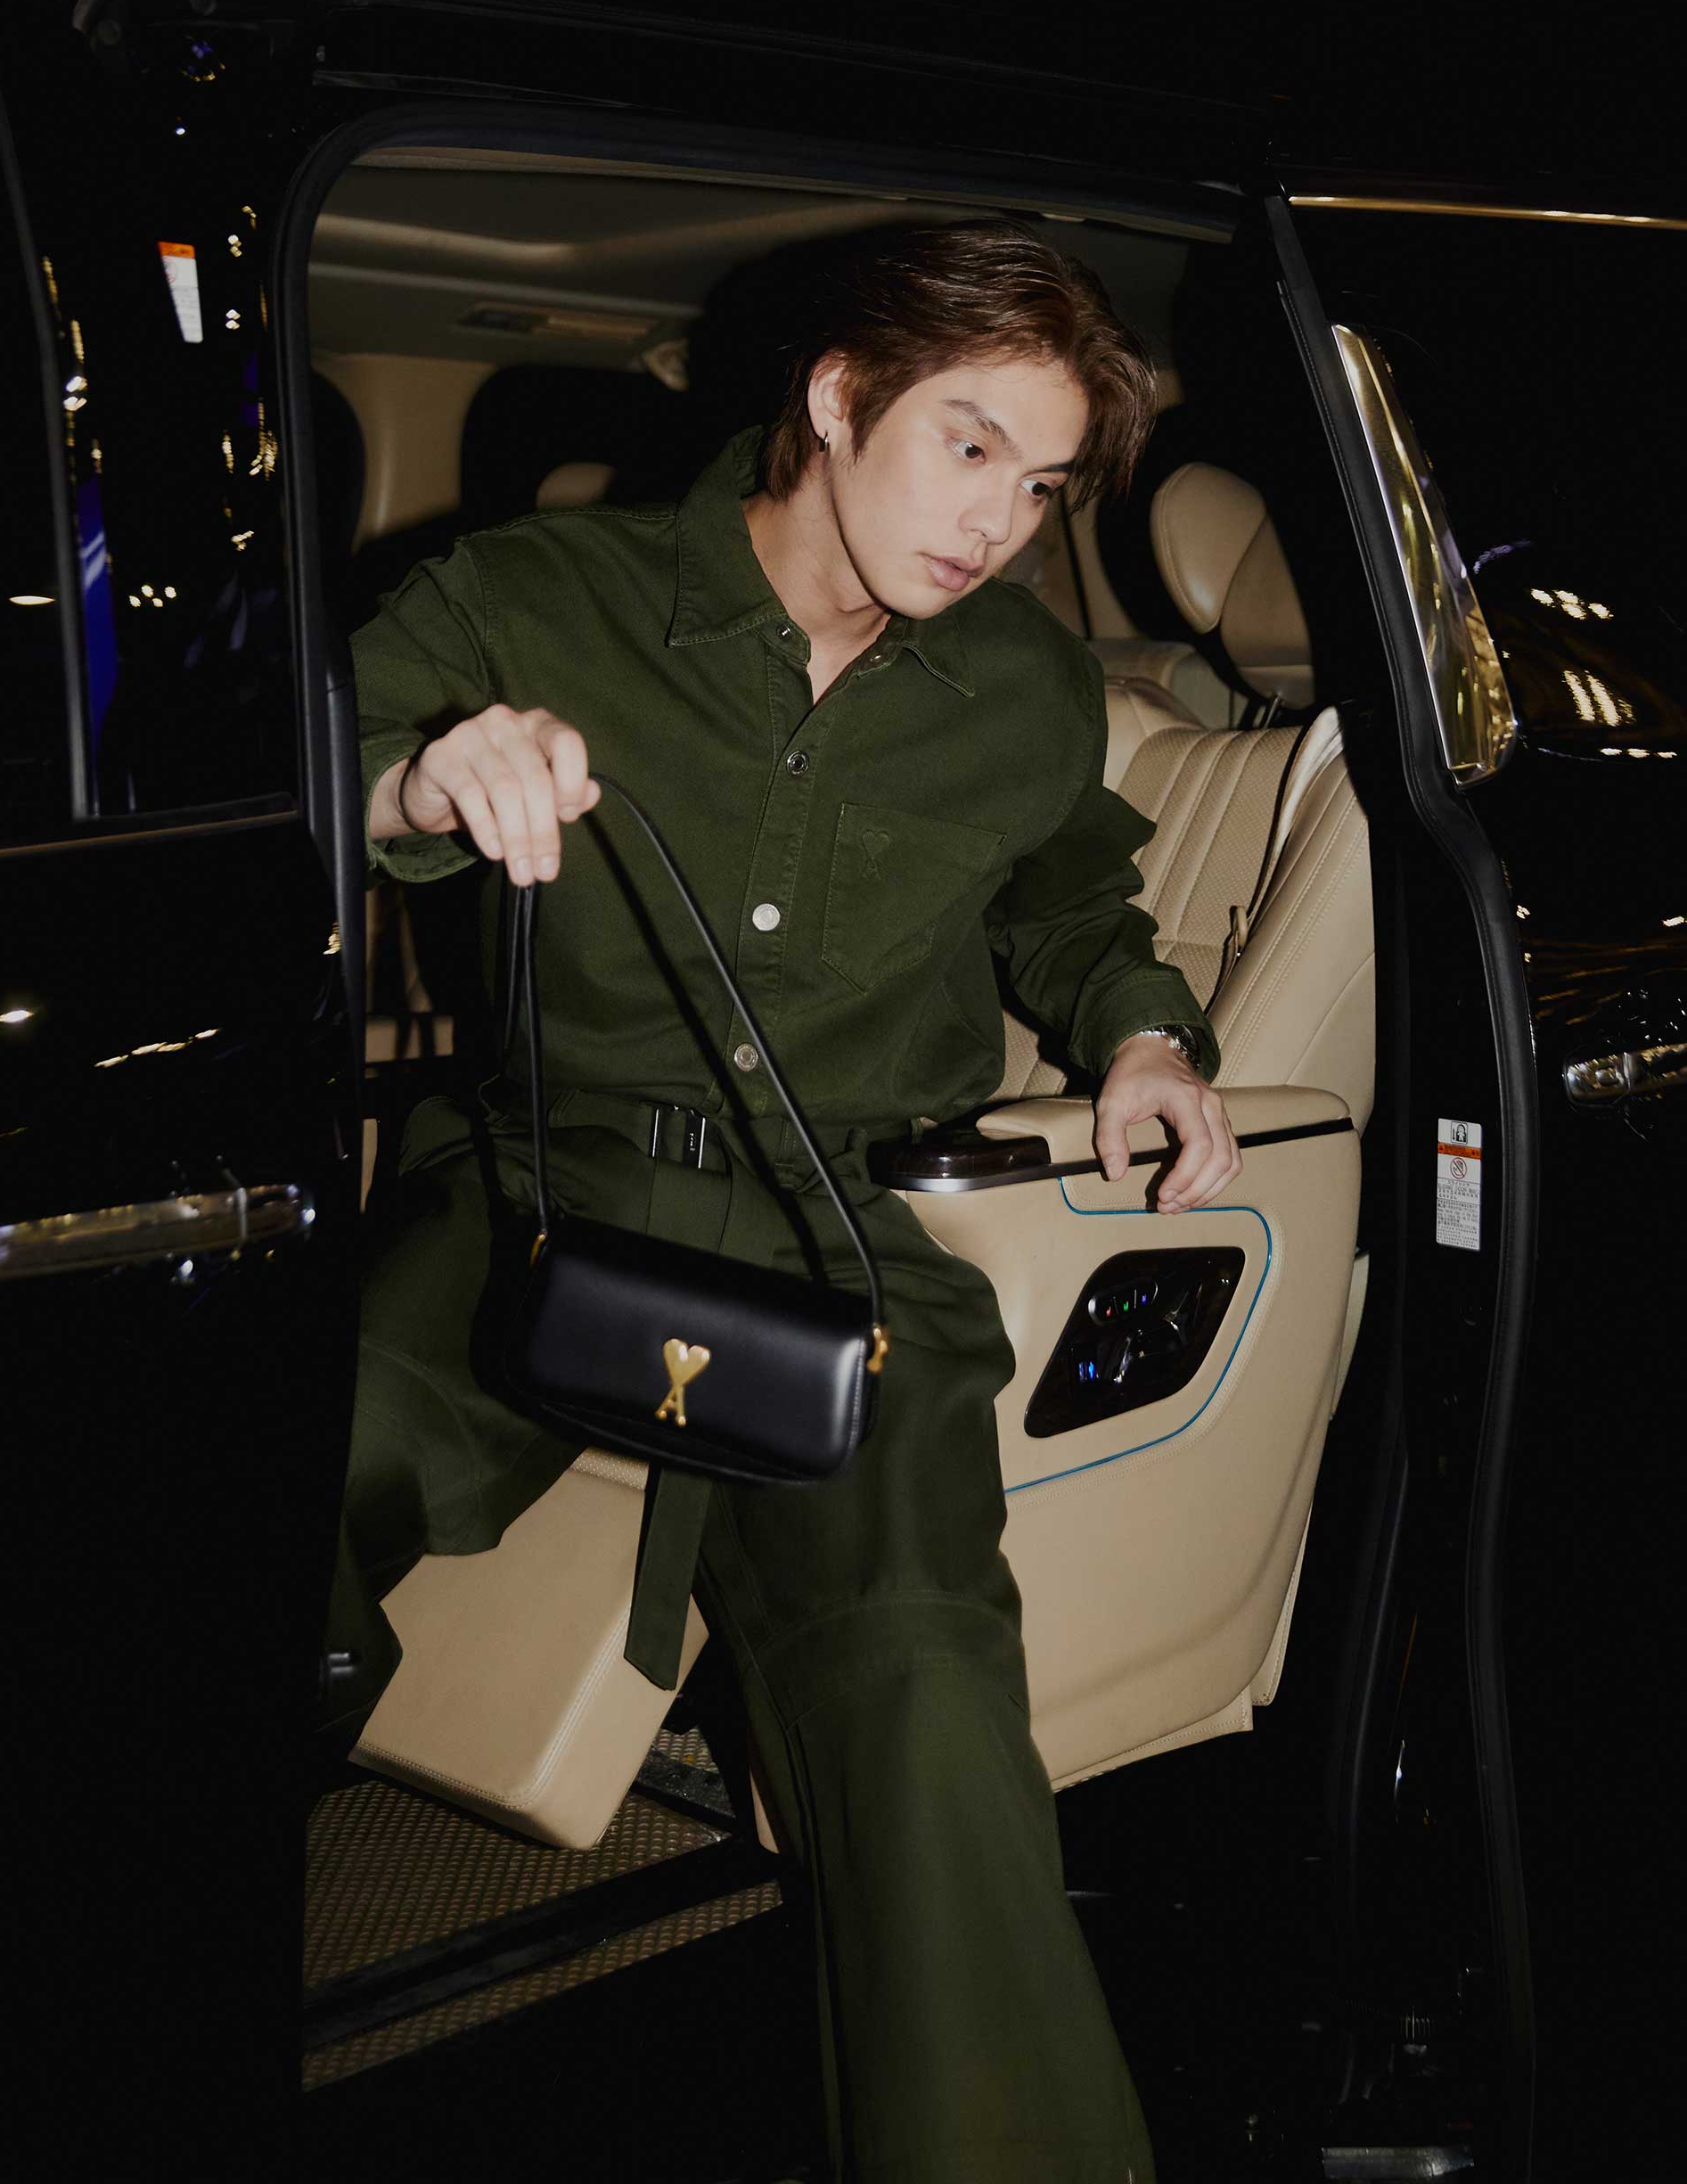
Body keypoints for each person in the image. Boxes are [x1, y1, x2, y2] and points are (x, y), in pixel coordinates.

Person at [333, 220, 1241, 2182]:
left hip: (848, 1243)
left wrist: (1147, 1040)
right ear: (837, 398)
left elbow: (1071, 900)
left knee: (923, 1692)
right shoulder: (538, 595)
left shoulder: (1024, 687)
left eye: (1044, 483)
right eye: (969, 445)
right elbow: (313, 769)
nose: (1000, 522)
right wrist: (426, 782)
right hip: (541, 1194)